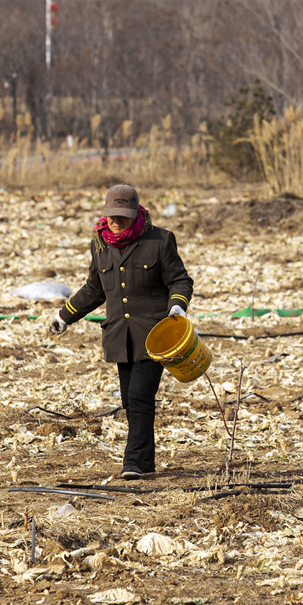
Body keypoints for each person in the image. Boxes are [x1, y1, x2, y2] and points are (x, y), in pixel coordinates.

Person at [48, 184, 193, 480]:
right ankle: (148, 462)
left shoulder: (160, 240)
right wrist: (65, 316)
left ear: (136, 213)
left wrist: (178, 307)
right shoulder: (100, 244)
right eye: (112, 215)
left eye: (123, 216)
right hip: (120, 338)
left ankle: (133, 463)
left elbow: (180, 280)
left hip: (155, 336)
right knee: (130, 400)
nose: (117, 221)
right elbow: (94, 289)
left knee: (140, 395)